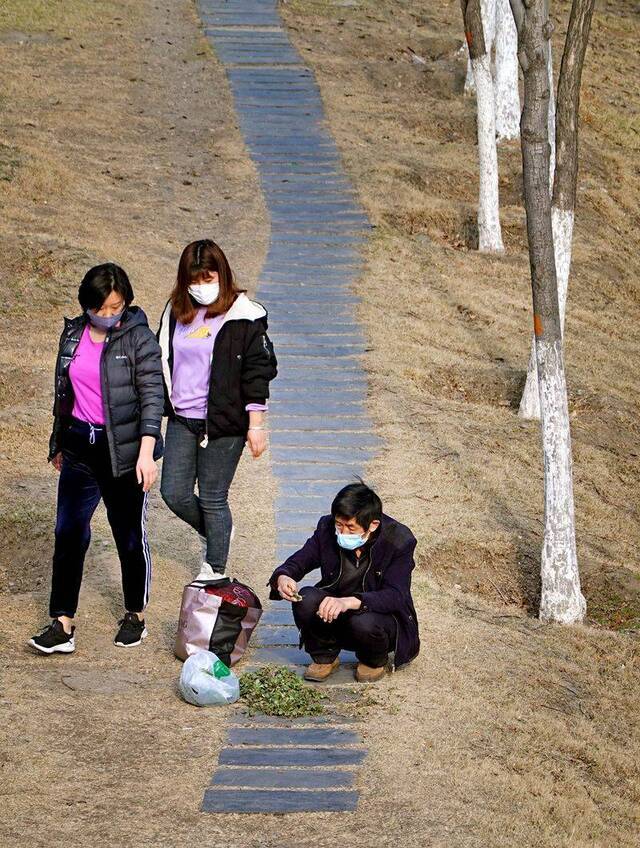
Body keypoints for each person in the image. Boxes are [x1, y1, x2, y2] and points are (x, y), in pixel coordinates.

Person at [29, 264, 164, 655]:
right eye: (101, 308)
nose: (108, 315)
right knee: (68, 532)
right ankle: (62, 622)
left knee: (127, 535)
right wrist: (59, 443)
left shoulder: (138, 338)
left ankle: (135, 615)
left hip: (122, 451)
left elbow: (153, 398)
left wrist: (146, 454)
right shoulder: (73, 333)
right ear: (87, 305)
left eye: (116, 307)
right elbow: (63, 393)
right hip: (79, 447)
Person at [158, 239, 277, 581]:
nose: (201, 287)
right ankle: (219, 532)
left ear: (222, 275)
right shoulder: (175, 311)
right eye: (194, 281)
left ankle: (215, 567)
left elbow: (258, 372)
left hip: (225, 423)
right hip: (183, 419)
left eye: (208, 279)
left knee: (212, 497)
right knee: (174, 494)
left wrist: (256, 425)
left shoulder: (245, 316)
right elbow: (161, 357)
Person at [268, 482, 420, 683]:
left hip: (378, 620)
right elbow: (302, 559)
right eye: (339, 524)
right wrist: (283, 576)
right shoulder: (327, 528)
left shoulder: (399, 540)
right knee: (305, 599)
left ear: (372, 525)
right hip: (336, 614)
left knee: (363, 621)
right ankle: (324, 655)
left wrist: (350, 601)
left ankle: (373, 659)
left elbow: (396, 596)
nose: (343, 533)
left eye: (351, 528)